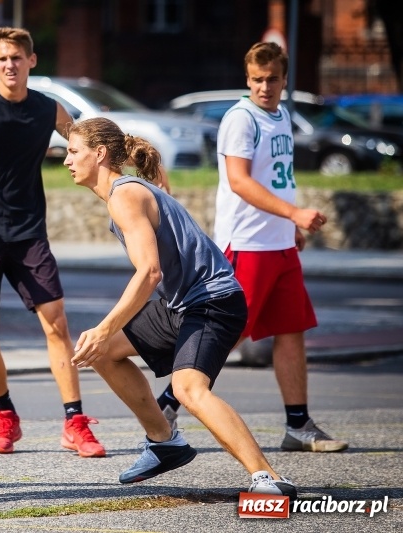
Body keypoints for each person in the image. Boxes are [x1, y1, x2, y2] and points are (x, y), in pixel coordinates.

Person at [64, 116, 296, 497]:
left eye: (74, 152)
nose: (67, 161)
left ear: (100, 153)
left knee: (189, 390)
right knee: (101, 352)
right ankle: (164, 442)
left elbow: (149, 272)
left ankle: (267, 478)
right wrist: (104, 335)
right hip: (182, 304)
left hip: (213, 301)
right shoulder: (127, 193)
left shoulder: (124, 195)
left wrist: (104, 326)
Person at [156, 42, 348, 453]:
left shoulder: (280, 116)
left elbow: (276, 178)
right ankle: (166, 407)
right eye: (257, 79)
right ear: (247, 79)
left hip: (277, 243)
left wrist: (288, 224)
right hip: (246, 243)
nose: (264, 86)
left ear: (284, 79)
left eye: (272, 79)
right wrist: (295, 214)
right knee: (227, 334)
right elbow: (240, 181)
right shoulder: (241, 119)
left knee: (291, 330)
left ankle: (298, 426)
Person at [0, 27, 104, 457]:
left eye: (17, 57)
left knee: (57, 324)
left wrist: (118, 185)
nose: (10, 65)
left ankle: (74, 422)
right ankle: (5, 418)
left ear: (31, 62)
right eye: (2, 58)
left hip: (28, 231)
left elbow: (86, 146)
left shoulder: (47, 109)